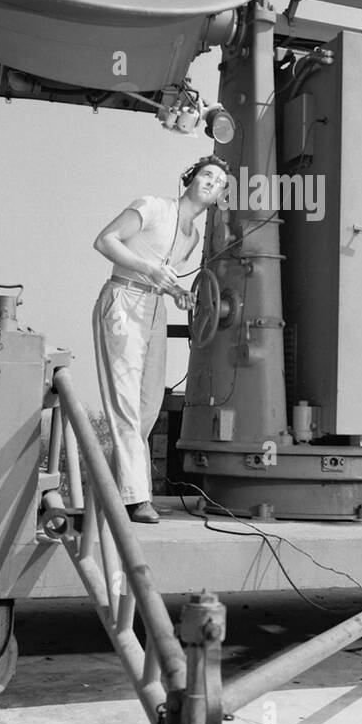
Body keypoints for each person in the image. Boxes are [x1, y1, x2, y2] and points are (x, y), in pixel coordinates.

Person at [92, 156, 230, 524]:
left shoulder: (193, 236)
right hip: (123, 301)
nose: (211, 183)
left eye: (219, 183)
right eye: (207, 175)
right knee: (125, 404)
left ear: (219, 198)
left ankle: (106, 491)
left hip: (154, 308)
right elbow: (104, 241)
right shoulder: (152, 206)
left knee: (148, 405)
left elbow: (161, 277)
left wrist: (177, 292)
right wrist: (150, 269)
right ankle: (137, 500)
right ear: (190, 177)